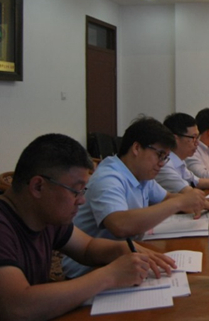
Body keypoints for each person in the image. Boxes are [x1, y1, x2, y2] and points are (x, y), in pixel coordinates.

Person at [0, 134, 176, 320]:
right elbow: (17, 307)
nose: (82, 200)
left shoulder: (45, 215)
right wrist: (109, 276)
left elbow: (86, 247)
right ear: (38, 187)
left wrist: (122, 249)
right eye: (75, 191)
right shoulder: (5, 225)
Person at [63, 116, 209, 278]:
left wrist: (197, 202)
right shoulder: (108, 177)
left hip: (124, 257)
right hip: (89, 271)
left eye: (165, 157)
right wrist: (179, 202)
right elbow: (119, 225)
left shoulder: (141, 174)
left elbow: (167, 197)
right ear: (137, 148)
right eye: (159, 155)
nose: (162, 163)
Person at [156, 112, 209, 192]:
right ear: (175, 139)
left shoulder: (179, 161)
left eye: (197, 137)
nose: (197, 143)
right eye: (193, 138)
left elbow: (197, 181)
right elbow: (189, 193)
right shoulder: (164, 165)